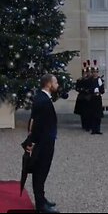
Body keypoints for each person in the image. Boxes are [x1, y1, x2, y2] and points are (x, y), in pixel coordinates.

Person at [23, 74, 60, 213]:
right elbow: (36, 124)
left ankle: (42, 199)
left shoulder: (43, 98)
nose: (57, 85)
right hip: (43, 142)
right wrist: (33, 142)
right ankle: (40, 205)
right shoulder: (43, 101)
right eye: (55, 82)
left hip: (45, 140)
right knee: (40, 172)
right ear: (49, 84)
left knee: (42, 172)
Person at [88, 60, 105, 135]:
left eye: (96, 72)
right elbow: (88, 89)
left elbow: (102, 90)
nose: (95, 73)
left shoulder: (100, 80)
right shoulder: (90, 80)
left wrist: (100, 87)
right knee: (92, 114)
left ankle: (98, 129)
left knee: (98, 115)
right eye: (94, 72)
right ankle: (93, 129)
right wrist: (93, 90)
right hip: (92, 98)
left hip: (98, 98)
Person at [74, 62, 90, 131]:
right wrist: (82, 89)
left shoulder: (90, 80)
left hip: (89, 98)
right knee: (83, 113)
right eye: (84, 73)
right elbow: (77, 88)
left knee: (89, 113)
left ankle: (88, 125)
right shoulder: (79, 80)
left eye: (86, 73)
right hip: (82, 97)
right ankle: (84, 125)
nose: (85, 75)